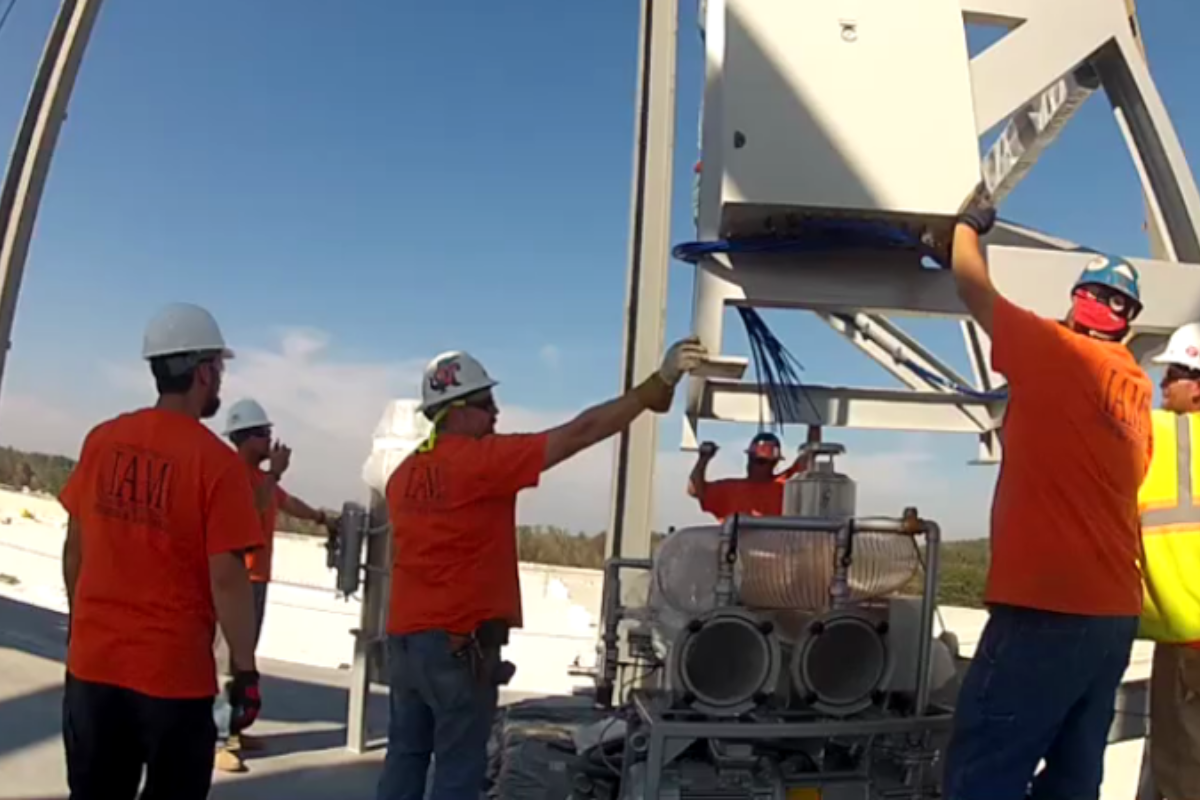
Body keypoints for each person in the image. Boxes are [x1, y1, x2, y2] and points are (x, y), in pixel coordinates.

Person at [376, 337, 707, 800]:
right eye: (488, 403)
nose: (496, 414)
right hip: (456, 647)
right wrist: (650, 389)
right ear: (459, 409)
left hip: (406, 644)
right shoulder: (482, 462)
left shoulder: (403, 475)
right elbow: (580, 432)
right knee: (458, 767)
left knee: (406, 755)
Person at [941, 186, 1154, 800]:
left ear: (1075, 304)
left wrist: (966, 227)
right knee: (1073, 775)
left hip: (1046, 611)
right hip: (1113, 616)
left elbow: (971, 286)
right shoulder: (1137, 388)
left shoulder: (1053, 349)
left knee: (984, 771)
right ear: (1129, 322)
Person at [58, 303, 264, 800]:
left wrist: (83, 625)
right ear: (203, 372)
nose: (220, 381)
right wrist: (245, 667)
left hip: (92, 669)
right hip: (173, 681)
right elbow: (228, 578)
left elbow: (74, 549)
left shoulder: (103, 440)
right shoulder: (216, 464)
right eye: (219, 369)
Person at [213, 397, 337, 772]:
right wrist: (276, 473)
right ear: (247, 438)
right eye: (265, 434)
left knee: (243, 659)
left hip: (256, 581)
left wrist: (320, 518)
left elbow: (285, 503)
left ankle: (232, 731)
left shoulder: (259, 477)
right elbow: (248, 511)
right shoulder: (235, 472)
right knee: (226, 662)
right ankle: (216, 740)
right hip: (235, 580)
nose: (271, 442)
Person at [1135, 322, 1200, 800]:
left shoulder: (1158, 432)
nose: (1162, 385)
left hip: (1187, 637)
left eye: (1173, 374)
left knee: (1182, 769)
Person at [688, 430, 812, 520]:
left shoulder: (785, 484)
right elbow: (695, 490)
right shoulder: (730, 489)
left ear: (774, 463)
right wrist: (703, 459)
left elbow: (809, 455)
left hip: (778, 552)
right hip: (737, 554)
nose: (754, 465)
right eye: (752, 459)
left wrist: (815, 421)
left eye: (761, 461)